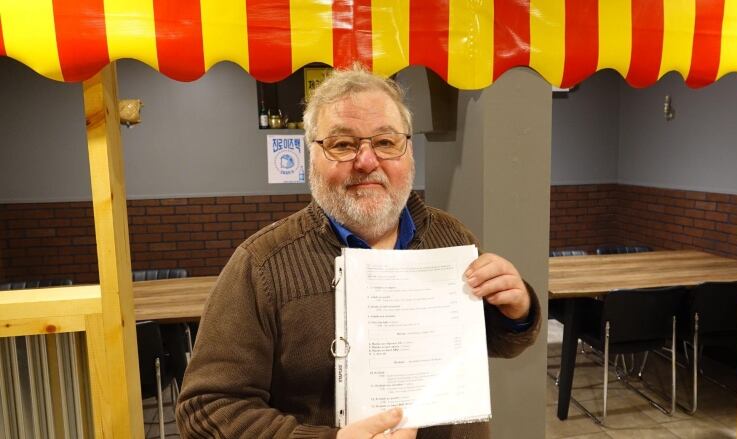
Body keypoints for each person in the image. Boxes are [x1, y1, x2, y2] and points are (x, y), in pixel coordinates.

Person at [176, 66, 541, 439]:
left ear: (409, 151)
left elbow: (488, 345)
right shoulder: (262, 267)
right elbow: (206, 409)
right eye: (343, 144)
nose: (367, 161)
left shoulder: (450, 237)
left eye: (385, 142)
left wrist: (517, 312)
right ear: (311, 157)